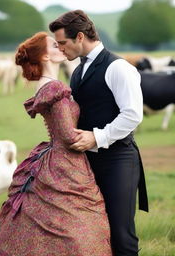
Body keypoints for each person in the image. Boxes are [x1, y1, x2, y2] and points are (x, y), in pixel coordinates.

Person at [0, 32, 112, 256]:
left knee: (57, 225)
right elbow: (68, 136)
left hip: (55, 156)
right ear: (45, 57)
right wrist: (101, 138)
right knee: (81, 227)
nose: (61, 47)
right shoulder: (54, 89)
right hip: (65, 162)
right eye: (55, 45)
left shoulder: (49, 85)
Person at [49, 10, 149, 256]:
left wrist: (96, 137)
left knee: (120, 234)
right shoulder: (77, 70)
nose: (59, 48)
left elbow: (133, 115)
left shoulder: (118, 68)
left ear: (80, 36)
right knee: (91, 230)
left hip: (117, 160)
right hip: (84, 162)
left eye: (62, 42)